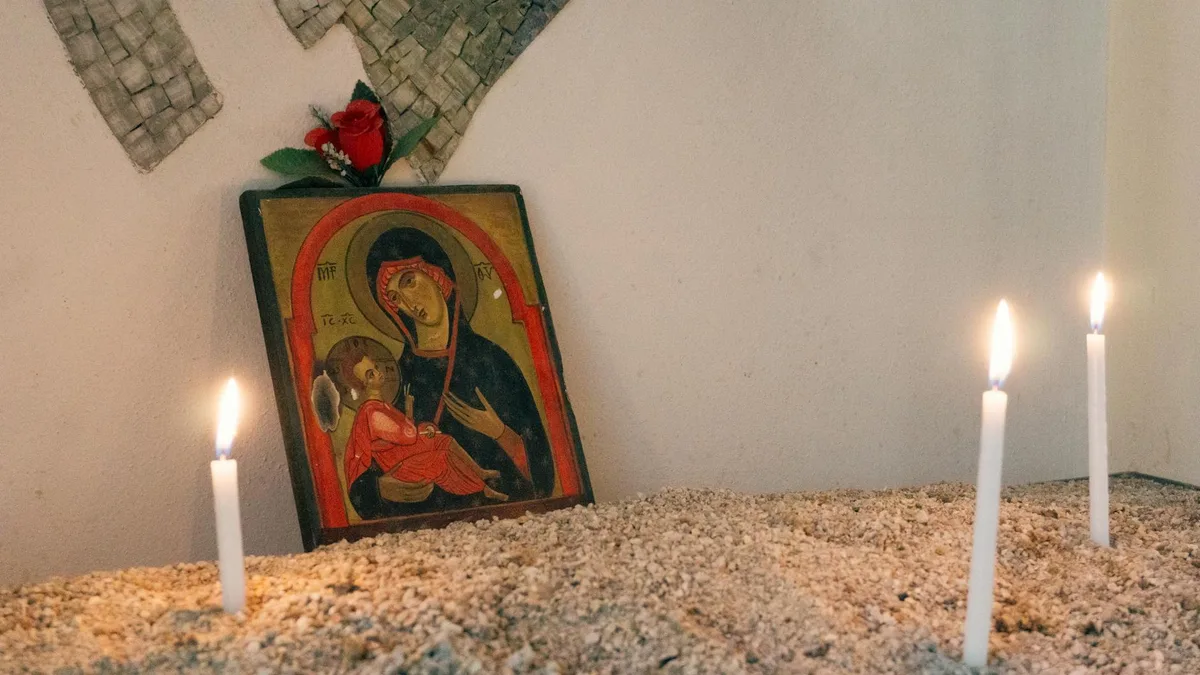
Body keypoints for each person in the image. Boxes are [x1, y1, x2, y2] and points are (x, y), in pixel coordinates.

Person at [366, 228, 555, 506]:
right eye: (394, 298)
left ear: (437, 276)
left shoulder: (492, 360)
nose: (408, 303)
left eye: (409, 281)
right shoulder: (398, 375)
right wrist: (378, 488)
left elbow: (543, 478)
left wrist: (500, 432)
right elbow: (371, 454)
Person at [327, 337, 508, 518]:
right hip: (395, 463)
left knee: (445, 441)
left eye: (375, 367)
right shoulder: (372, 413)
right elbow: (407, 435)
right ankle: (482, 489)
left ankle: (479, 472)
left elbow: (404, 433)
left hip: (402, 452)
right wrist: (409, 411)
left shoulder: (383, 406)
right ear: (363, 384)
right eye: (371, 374)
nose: (378, 372)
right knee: (441, 457)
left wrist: (424, 428)